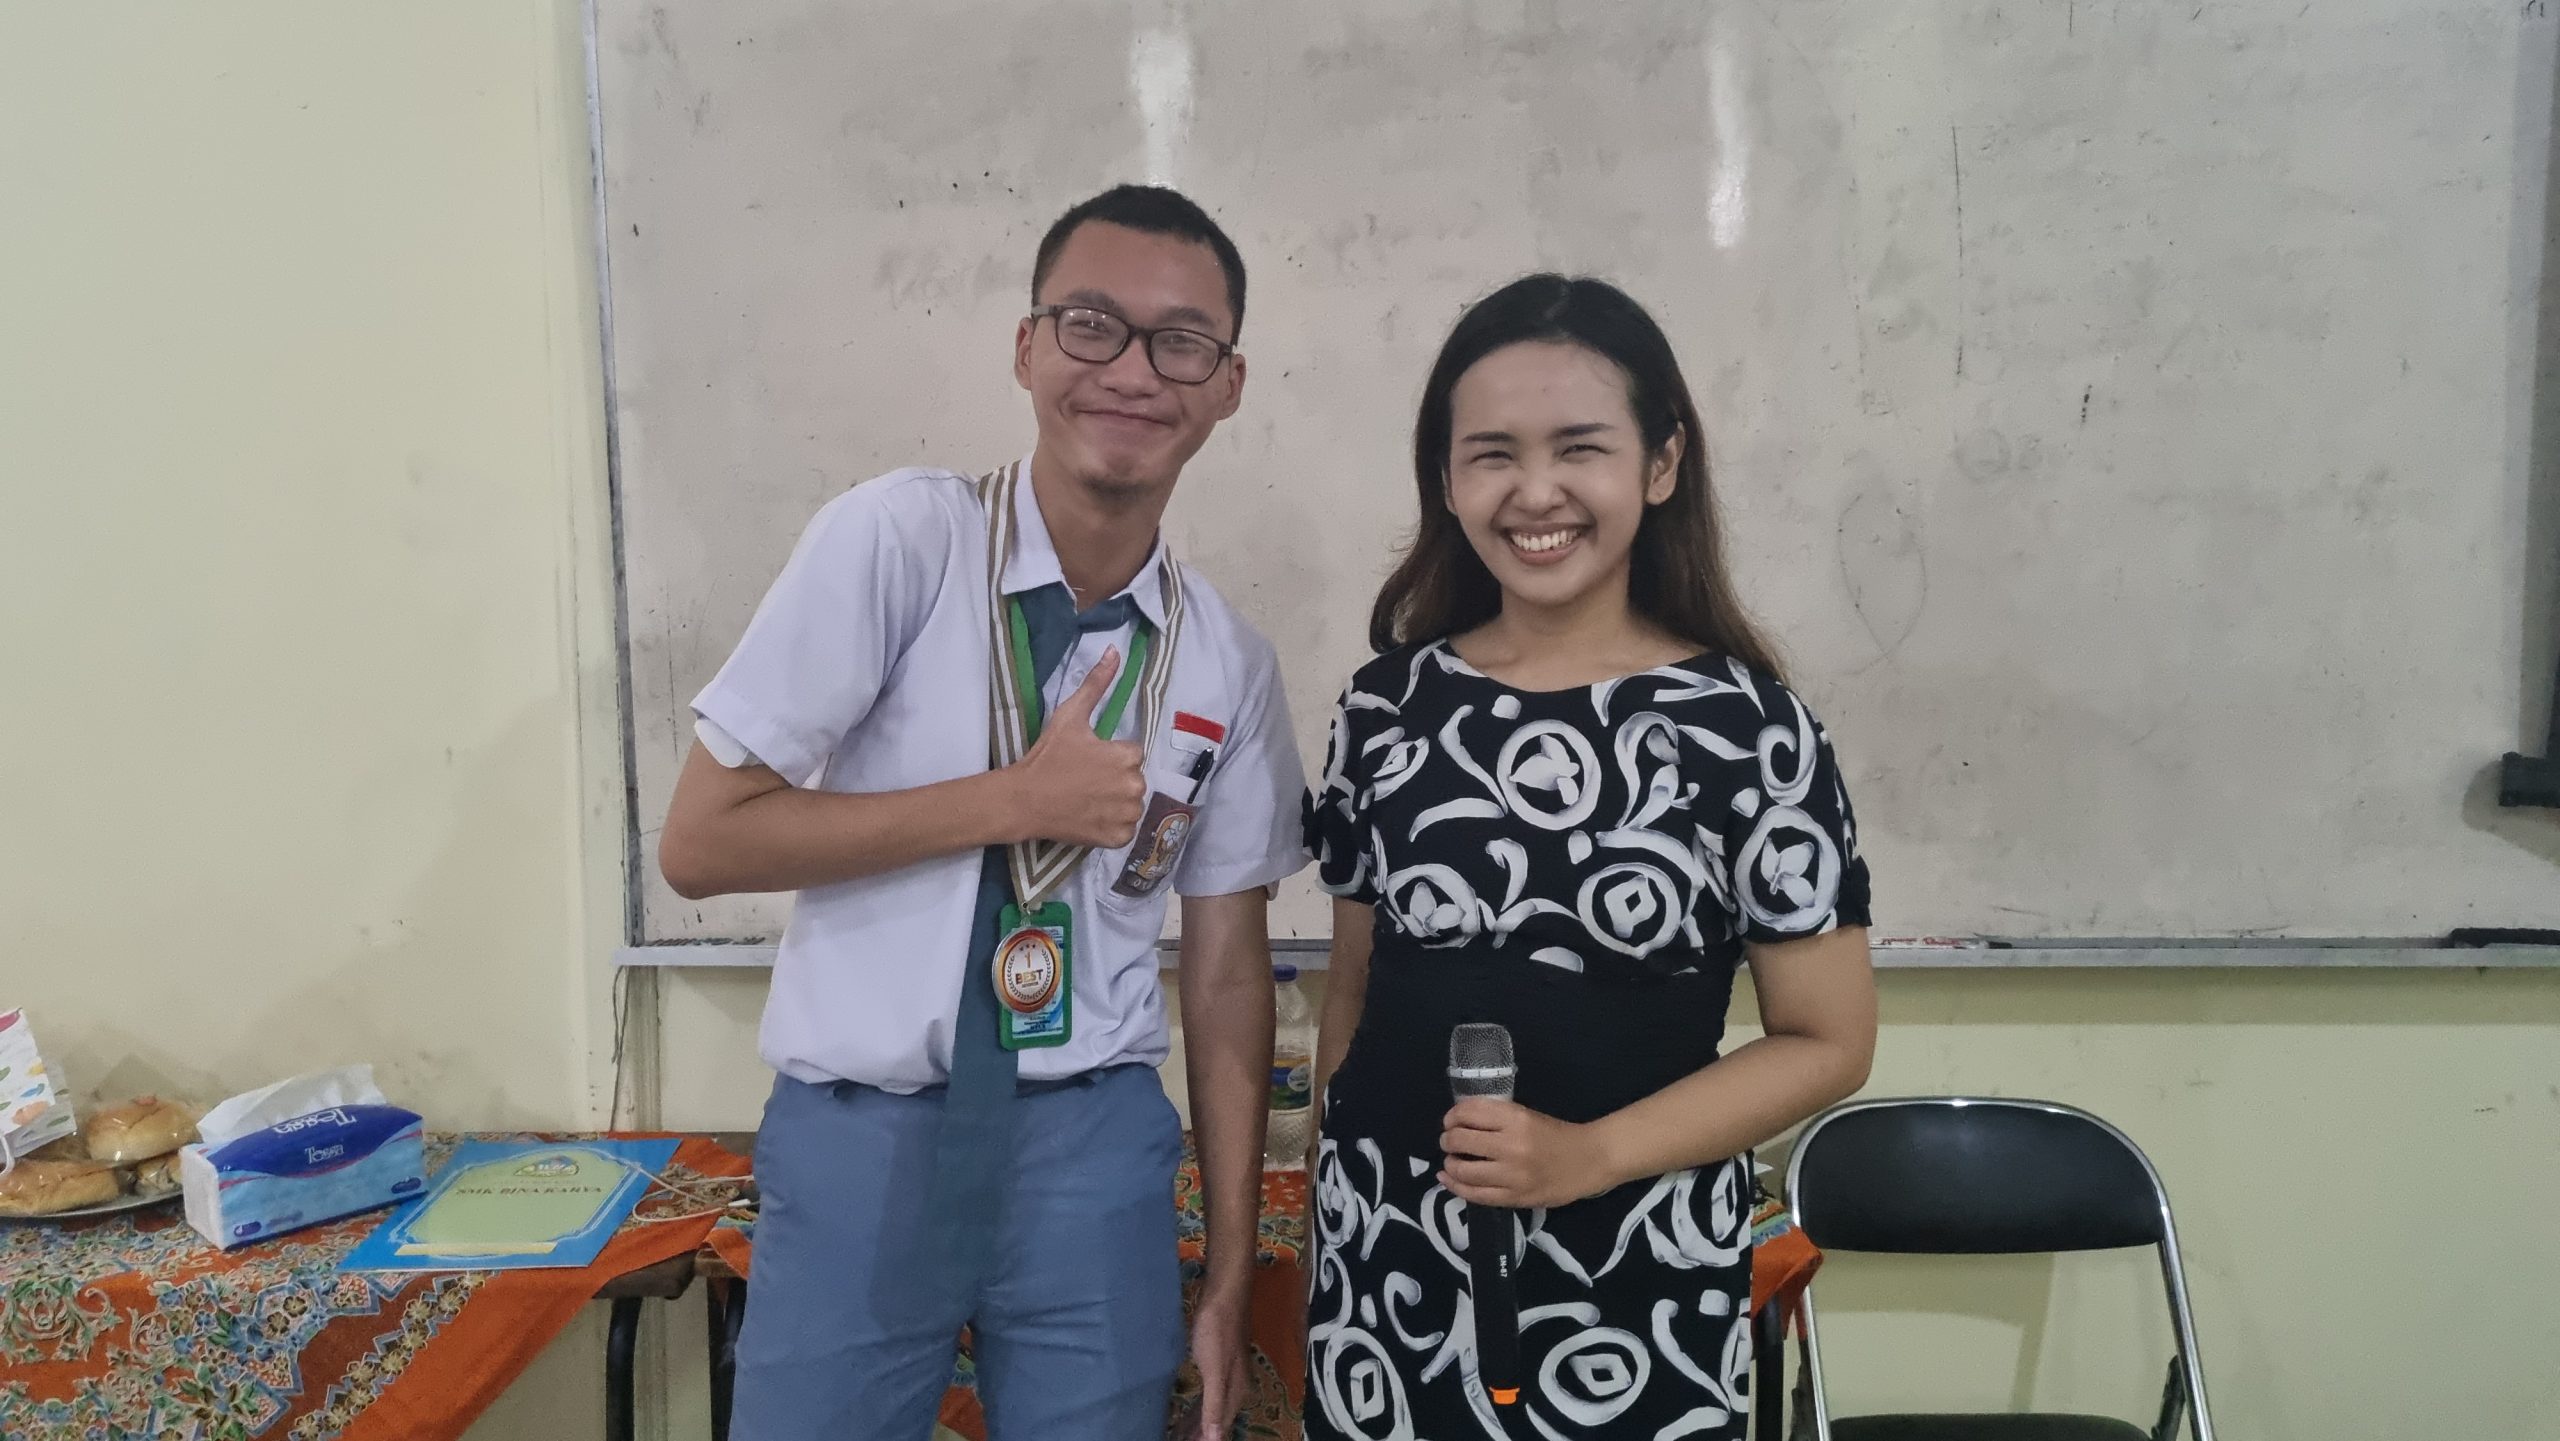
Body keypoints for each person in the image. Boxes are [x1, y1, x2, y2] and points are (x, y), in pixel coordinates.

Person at [659, 184, 1306, 1440]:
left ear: (1225, 385)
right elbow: (703, 839)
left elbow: (1227, 979)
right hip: (866, 1139)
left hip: (1091, 1149)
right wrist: (1013, 800)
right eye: (1090, 325)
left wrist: (1230, 1274)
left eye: (1181, 343)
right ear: (1026, 348)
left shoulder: (1227, 660)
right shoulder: (903, 543)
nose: (1131, 371)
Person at [1301, 275, 1878, 1439]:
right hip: (1387, 1268)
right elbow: (1355, 992)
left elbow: (1830, 1041)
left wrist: (1588, 1156)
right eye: (1491, 454)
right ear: (1447, 478)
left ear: (1660, 465)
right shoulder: (1387, 706)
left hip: (1636, 1269)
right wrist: (1340, 1194)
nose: (1535, 491)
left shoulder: (1747, 728)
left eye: (1579, 447)